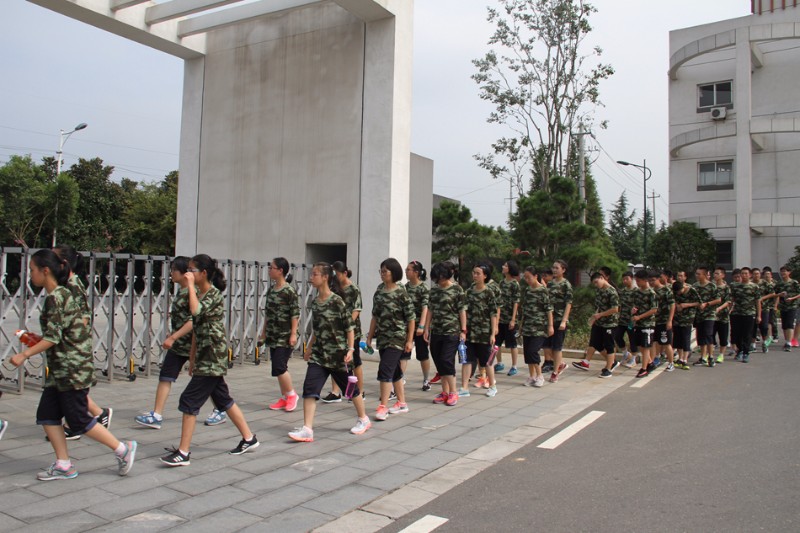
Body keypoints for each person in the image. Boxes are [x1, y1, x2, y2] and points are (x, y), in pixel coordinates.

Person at [9, 249, 136, 480]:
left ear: (45, 271)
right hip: (61, 368)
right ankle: (64, 464)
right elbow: (57, 334)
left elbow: (54, 338)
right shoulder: (57, 296)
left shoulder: (57, 297)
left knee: (78, 419)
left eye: (32, 271)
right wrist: (38, 340)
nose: (31, 276)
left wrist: (24, 354)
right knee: (47, 415)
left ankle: (123, 449)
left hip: (72, 369)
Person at [161, 254, 259, 466]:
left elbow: (196, 311)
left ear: (203, 273)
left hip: (214, 356)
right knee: (223, 399)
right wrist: (193, 356)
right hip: (205, 354)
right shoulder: (198, 293)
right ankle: (249, 438)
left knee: (188, 401)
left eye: (192, 270)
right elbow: (196, 326)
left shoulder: (213, 295)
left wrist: (188, 286)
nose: (188, 273)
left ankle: (184, 452)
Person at [289, 263, 370, 442]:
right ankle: (307, 429)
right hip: (319, 355)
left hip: (338, 355)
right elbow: (317, 330)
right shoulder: (315, 303)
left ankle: (363, 419)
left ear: (325, 277)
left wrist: (350, 349)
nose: (312, 277)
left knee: (350, 390)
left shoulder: (337, 301)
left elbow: (349, 328)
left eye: (315, 274)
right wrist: (309, 348)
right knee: (310, 388)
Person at [52, 244, 112, 440]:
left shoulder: (72, 286)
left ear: (64, 264)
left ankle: (81, 423)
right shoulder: (67, 285)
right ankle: (96, 414)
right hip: (69, 349)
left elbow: (83, 317)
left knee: (72, 388)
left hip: (73, 350)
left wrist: (67, 335)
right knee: (70, 388)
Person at [136, 256, 202, 429]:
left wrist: (173, 337)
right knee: (166, 375)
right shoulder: (181, 290)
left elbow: (193, 321)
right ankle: (156, 414)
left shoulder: (191, 292)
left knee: (209, 379)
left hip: (194, 343)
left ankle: (221, 408)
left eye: (174, 269)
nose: (171, 273)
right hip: (179, 345)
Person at [368, 258, 415, 420]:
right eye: (381, 271)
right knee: (395, 371)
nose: (382, 274)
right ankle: (402, 403)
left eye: (385, 271)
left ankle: (383, 406)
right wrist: (369, 336)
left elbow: (411, 318)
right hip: (382, 338)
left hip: (397, 338)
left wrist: (409, 340)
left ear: (393, 273)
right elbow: (375, 316)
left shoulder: (401, 293)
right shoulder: (379, 291)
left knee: (385, 370)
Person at [260, 257, 301, 412]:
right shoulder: (271, 290)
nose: (270, 270)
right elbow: (268, 314)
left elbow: (295, 314)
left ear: (281, 271)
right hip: (273, 334)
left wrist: (293, 334)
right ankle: (284, 397)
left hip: (285, 335)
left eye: (272, 268)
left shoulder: (289, 291)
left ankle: (291, 395)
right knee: (277, 368)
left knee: (280, 366)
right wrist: (263, 333)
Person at [424, 261, 467, 407]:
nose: (437, 280)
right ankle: (445, 392)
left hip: (451, 331)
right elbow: (430, 310)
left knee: (447, 360)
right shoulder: (434, 290)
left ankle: (453, 392)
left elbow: (462, 310)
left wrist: (463, 330)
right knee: (438, 360)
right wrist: (426, 328)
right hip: (436, 331)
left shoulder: (457, 289)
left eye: (439, 276)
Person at [322, 262, 365, 403]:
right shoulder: (334, 288)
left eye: (338, 274)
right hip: (337, 332)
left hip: (352, 331)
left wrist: (346, 325)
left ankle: (360, 390)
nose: (336, 278)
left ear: (345, 273)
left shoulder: (354, 289)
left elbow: (356, 310)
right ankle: (336, 392)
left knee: (355, 362)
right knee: (336, 361)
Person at [461, 264, 499, 397]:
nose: (475, 275)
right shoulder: (469, 292)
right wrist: (463, 330)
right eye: (474, 273)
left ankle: (492, 386)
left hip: (484, 333)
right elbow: (464, 311)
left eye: (478, 273)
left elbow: (493, 314)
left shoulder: (489, 292)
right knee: (466, 360)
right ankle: (464, 388)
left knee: (487, 361)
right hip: (470, 333)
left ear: (485, 276)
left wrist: (493, 333)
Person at [577, 273, 619, 378]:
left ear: (602, 278)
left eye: (596, 282)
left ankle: (608, 369)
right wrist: (593, 318)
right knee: (595, 343)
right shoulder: (599, 291)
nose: (596, 285)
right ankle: (612, 362)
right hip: (599, 322)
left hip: (609, 323)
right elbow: (599, 306)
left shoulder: (612, 291)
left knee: (609, 345)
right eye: (594, 283)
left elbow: (615, 309)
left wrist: (600, 315)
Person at [519, 266, 553, 387]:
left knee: (533, 351)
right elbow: (525, 309)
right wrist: (521, 326)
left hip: (539, 326)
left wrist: (550, 325)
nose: (527, 280)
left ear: (535, 276)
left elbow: (548, 309)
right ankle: (532, 376)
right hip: (527, 326)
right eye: (525, 278)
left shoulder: (542, 290)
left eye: (529, 277)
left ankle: (540, 376)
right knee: (527, 352)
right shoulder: (528, 290)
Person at [543, 260, 572, 382]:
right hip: (549, 319)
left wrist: (564, 321)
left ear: (563, 270)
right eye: (553, 267)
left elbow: (569, 303)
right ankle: (560, 364)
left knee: (557, 347)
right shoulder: (550, 284)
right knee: (546, 346)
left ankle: (555, 372)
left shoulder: (566, 285)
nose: (554, 270)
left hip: (560, 319)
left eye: (557, 268)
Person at [403, 261, 430, 390]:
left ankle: (426, 380)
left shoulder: (423, 288)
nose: (406, 272)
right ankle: (400, 378)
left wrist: (422, 326)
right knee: (404, 353)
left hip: (419, 326)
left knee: (422, 354)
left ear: (416, 272)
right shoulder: (405, 287)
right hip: (407, 326)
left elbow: (426, 307)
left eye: (408, 270)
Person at [729, 266, 761, 363]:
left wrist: (759, 315)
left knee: (747, 334)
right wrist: (729, 309)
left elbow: (758, 301)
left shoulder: (754, 287)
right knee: (737, 333)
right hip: (736, 313)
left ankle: (746, 353)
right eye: (742, 273)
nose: (743, 275)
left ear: (750, 275)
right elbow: (732, 299)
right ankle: (739, 350)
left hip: (749, 313)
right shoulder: (734, 286)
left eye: (746, 273)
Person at [494, 261, 520, 376]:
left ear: (510, 269)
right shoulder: (501, 283)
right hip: (500, 318)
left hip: (510, 318)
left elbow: (516, 302)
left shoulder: (515, 284)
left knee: (512, 344)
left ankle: (514, 366)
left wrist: (513, 319)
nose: (503, 267)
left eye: (505, 266)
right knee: (497, 343)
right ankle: (499, 363)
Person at [630, 270, 657, 378]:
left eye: (638, 280)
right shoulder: (636, 292)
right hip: (638, 323)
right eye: (635, 280)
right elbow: (635, 305)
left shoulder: (651, 293)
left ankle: (644, 368)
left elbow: (654, 309)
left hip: (648, 324)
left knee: (646, 347)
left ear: (645, 280)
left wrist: (640, 316)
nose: (637, 282)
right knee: (640, 345)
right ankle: (650, 363)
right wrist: (634, 311)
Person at [693, 266, 720, 367]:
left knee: (708, 335)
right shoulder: (695, 286)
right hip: (699, 315)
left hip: (709, 315)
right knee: (701, 337)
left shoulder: (712, 286)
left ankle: (711, 357)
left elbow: (718, 300)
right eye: (696, 274)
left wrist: (707, 304)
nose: (697, 275)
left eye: (699, 274)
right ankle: (703, 357)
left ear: (705, 275)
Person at [650, 271, 676, 371]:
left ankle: (671, 363)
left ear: (658, 279)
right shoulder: (651, 291)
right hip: (653, 321)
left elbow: (672, 305)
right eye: (650, 281)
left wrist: (670, 320)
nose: (651, 282)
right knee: (653, 342)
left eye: (653, 280)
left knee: (666, 342)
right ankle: (653, 360)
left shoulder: (666, 290)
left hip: (664, 321)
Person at [672, 280, 699, 369]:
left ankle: (685, 359)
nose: (679, 293)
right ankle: (680, 358)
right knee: (677, 339)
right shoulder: (674, 292)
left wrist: (686, 305)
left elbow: (699, 302)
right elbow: (672, 300)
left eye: (680, 291)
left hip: (687, 318)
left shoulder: (692, 291)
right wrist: (677, 305)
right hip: (677, 318)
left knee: (685, 339)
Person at [616, 272, 640, 368]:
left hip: (632, 320)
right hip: (622, 318)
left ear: (632, 278)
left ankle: (634, 358)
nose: (625, 281)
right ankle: (626, 353)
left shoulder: (637, 291)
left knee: (632, 339)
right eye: (623, 279)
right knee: (617, 336)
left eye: (627, 279)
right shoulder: (623, 291)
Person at [775, 265, 800, 351]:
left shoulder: (794, 282)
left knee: (790, 324)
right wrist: (779, 295)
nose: (783, 273)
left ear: (789, 272)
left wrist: (792, 298)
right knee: (784, 325)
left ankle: (789, 343)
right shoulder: (779, 283)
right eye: (781, 271)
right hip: (783, 306)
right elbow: (775, 293)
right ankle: (787, 341)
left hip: (792, 306)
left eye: (784, 271)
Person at [713, 266, 732, 361]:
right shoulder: (712, 286)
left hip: (723, 316)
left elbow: (728, 301)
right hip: (712, 316)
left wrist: (719, 308)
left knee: (723, 337)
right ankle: (710, 354)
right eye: (714, 273)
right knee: (710, 335)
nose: (715, 275)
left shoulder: (726, 288)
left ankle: (721, 354)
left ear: (723, 275)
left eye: (717, 273)